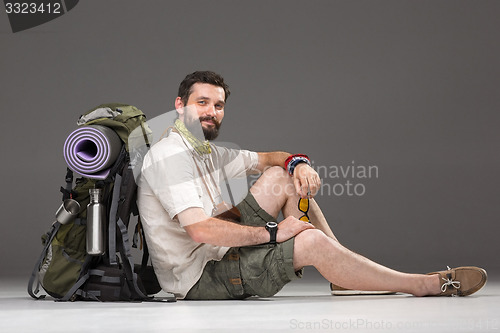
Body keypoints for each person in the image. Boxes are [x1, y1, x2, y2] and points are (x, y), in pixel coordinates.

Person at [137, 70, 487, 300]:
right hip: (197, 278)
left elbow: (272, 158)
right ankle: (423, 285)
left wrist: (297, 163)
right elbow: (198, 230)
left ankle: (344, 273)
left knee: (281, 178)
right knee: (311, 241)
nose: (212, 112)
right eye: (202, 103)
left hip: (217, 251)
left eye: (219, 105)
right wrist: (276, 233)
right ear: (180, 106)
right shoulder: (171, 156)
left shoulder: (205, 151)